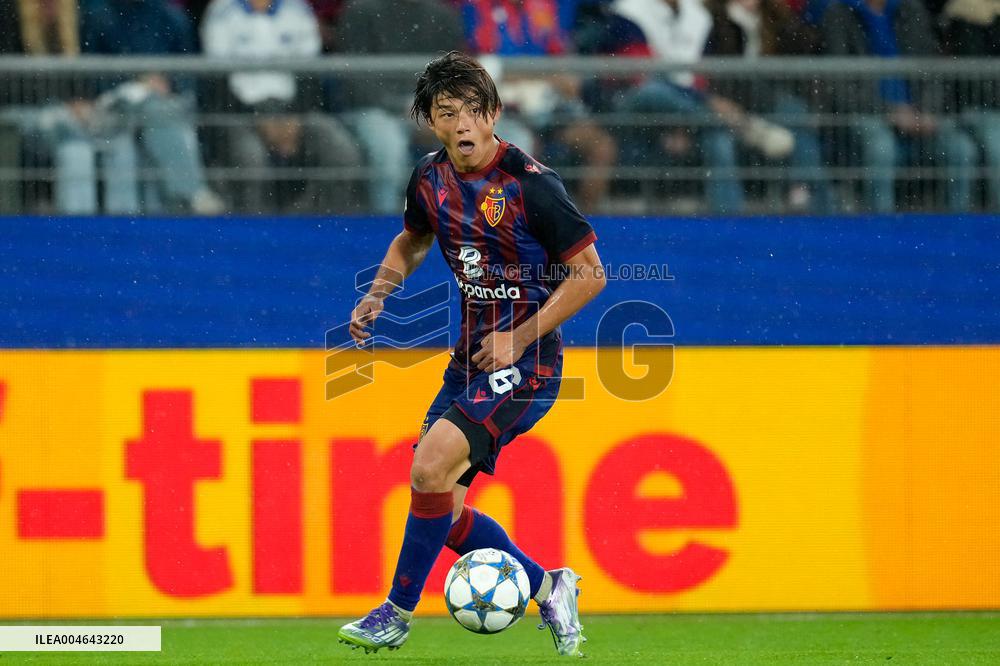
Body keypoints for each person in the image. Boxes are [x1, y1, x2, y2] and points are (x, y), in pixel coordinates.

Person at [337, 51, 604, 657]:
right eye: (446, 112)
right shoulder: (428, 179)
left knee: (428, 468)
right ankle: (550, 586)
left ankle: (394, 613)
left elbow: (591, 274)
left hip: (528, 365)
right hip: (469, 363)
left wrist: (520, 337)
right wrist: (378, 293)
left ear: (494, 114)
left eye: (472, 110)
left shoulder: (532, 185)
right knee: (445, 507)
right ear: (430, 121)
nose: (461, 124)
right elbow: (412, 240)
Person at [201, 0, 363, 213]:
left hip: (294, 110)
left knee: (341, 151)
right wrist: (258, 118)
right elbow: (217, 80)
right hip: (240, 113)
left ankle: (320, 222)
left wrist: (293, 117)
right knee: (250, 159)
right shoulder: (221, 10)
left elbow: (310, 75)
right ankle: (253, 226)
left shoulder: (297, 9)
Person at [819, 0, 978, 212]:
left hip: (918, 116)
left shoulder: (911, 9)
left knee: (960, 148)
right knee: (881, 148)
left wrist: (926, 111)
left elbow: (933, 71)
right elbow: (840, 88)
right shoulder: (838, 13)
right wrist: (890, 112)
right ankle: (882, 227)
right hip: (869, 115)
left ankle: (958, 226)